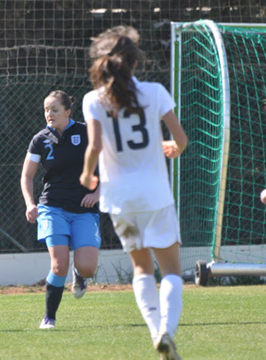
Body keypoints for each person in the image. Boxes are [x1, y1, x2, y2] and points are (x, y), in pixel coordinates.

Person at [79, 34, 188, 360]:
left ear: (98, 66)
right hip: (156, 196)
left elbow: (95, 146)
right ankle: (167, 330)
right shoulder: (155, 92)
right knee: (170, 272)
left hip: (119, 200)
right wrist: (174, 148)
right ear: (136, 62)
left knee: (141, 271)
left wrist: (87, 175)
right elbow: (180, 138)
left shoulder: (92, 100)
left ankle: (156, 332)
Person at [20, 90, 102, 330]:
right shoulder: (39, 139)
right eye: (46, 110)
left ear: (68, 112)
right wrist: (30, 203)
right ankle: (49, 318)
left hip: (84, 208)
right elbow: (27, 175)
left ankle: (81, 275)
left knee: (87, 266)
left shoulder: (87, 132)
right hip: (52, 207)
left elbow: (109, 167)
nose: (49, 114)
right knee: (59, 264)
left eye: (54, 110)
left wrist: (98, 194)